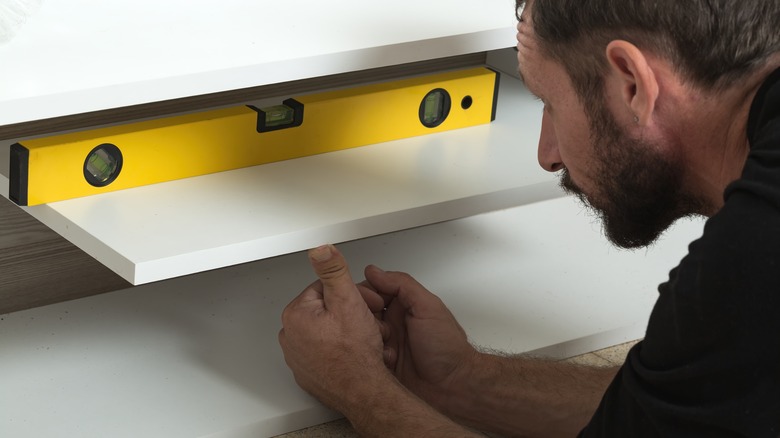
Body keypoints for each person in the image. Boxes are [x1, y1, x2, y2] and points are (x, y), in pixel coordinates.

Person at [278, 0, 780, 436]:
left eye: (550, 103)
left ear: (632, 84)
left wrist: (358, 388)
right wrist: (460, 379)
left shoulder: (753, 252)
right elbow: (683, 412)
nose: (547, 154)